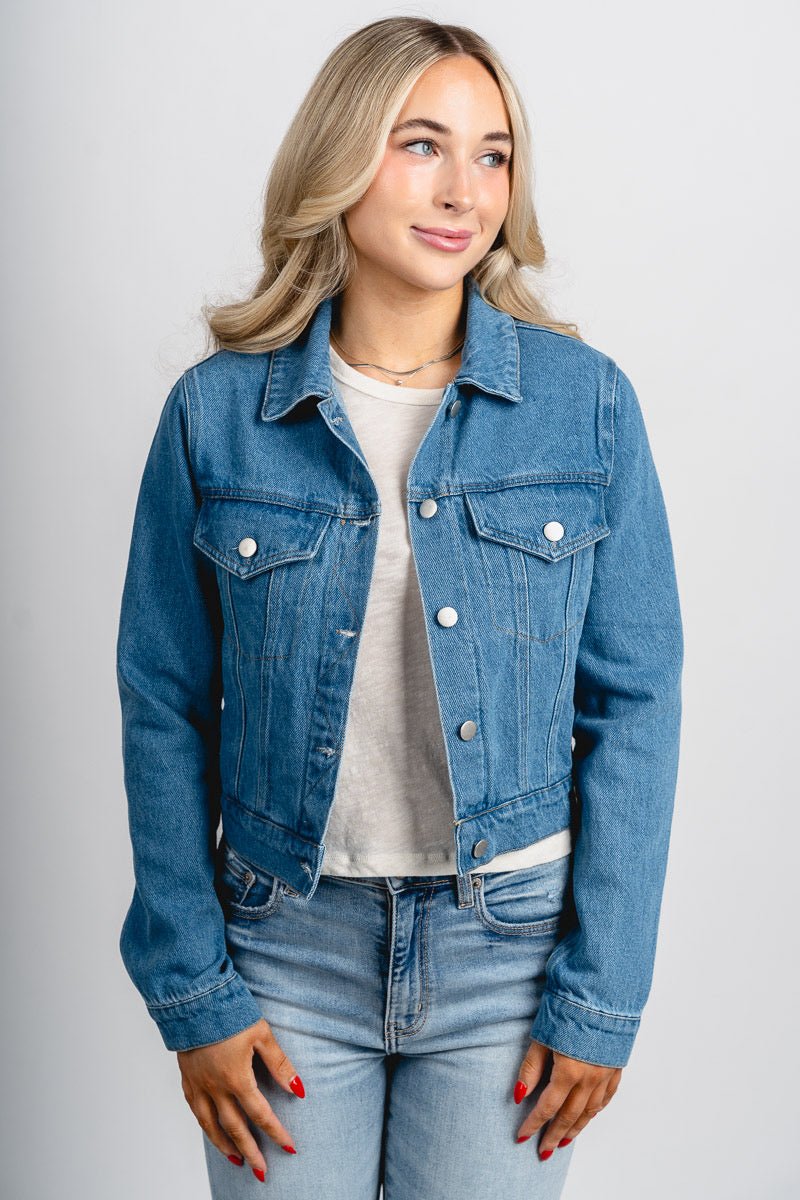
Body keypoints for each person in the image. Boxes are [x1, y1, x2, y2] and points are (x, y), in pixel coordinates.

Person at [115, 16, 684, 1198]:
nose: (462, 190)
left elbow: (634, 704)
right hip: (282, 949)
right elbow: (162, 703)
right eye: (420, 144)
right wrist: (194, 991)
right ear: (339, 155)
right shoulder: (216, 415)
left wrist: (601, 993)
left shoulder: (583, 407)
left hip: (507, 955)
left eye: (492, 154)